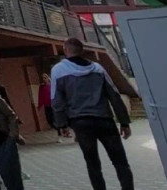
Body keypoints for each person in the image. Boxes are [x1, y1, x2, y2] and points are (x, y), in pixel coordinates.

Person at [51, 37, 134, 190]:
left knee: (93, 164)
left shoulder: (58, 70)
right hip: (104, 120)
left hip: (81, 123)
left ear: (65, 50)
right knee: (120, 162)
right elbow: (114, 95)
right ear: (82, 50)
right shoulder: (98, 68)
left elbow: (57, 100)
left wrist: (61, 125)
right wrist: (124, 122)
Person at [37, 72, 63, 142]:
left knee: (55, 120)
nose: (44, 79)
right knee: (49, 120)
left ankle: (59, 135)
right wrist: (39, 105)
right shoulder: (41, 87)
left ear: (48, 78)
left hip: (53, 105)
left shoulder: (53, 85)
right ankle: (59, 128)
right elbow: (40, 96)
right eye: (43, 78)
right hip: (47, 106)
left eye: (45, 77)